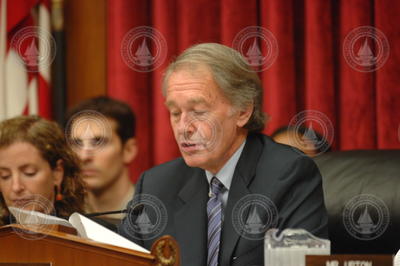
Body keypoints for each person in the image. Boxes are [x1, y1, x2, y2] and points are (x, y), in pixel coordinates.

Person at [119, 43, 328, 266]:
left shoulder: (289, 176)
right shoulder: (156, 186)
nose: (183, 127)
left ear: (243, 111)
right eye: (175, 113)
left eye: (198, 111)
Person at [0, 116, 85, 225]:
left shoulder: (93, 235)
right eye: (5, 176)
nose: (16, 187)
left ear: (57, 173)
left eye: (29, 173)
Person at [65, 96, 137, 225]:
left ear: (128, 150)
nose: (84, 157)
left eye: (99, 143)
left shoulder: (151, 217)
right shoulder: (65, 218)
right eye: (77, 144)